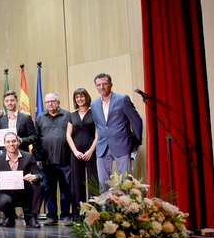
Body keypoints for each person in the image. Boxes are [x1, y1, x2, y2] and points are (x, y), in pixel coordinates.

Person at [91, 73, 144, 192]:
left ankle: (129, 209)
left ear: (111, 85)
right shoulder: (94, 104)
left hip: (122, 144)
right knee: (103, 184)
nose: (102, 87)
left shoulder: (122, 99)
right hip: (102, 146)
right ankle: (106, 209)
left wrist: (135, 141)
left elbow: (137, 121)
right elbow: (98, 125)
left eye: (104, 84)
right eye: (98, 85)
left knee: (127, 182)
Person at [0, 89, 41, 221]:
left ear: (16, 101)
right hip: (6, 158)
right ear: (4, 103)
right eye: (7, 101)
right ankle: (9, 215)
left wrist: (22, 140)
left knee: (26, 187)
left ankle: (30, 216)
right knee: (7, 188)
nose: (10, 103)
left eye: (12, 100)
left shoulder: (25, 118)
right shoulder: (0, 119)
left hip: (23, 159)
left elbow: (34, 137)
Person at [0, 132, 42, 228]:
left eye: (14, 141)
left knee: (40, 185)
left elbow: (39, 174)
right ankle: (9, 216)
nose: (11, 144)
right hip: (6, 193)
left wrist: (35, 177)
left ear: (18, 142)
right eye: (8, 142)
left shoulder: (28, 156)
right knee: (3, 200)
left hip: (24, 192)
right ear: (4, 144)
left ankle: (32, 218)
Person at [36, 93, 73, 225]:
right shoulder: (40, 118)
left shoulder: (68, 116)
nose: (50, 104)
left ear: (58, 102)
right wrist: (37, 157)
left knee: (66, 188)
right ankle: (52, 216)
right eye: (48, 102)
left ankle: (66, 216)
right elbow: (37, 139)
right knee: (49, 189)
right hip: (46, 160)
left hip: (65, 159)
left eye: (53, 101)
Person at [67, 88, 99, 222]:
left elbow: (98, 133)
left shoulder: (94, 112)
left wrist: (91, 150)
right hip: (77, 153)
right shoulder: (72, 115)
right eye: (77, 97)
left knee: (93, 183)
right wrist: (75, 151)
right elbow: (68, 135)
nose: (79, 99)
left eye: (82, 96)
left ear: (87, 97)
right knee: (77, 184)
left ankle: (94, 216)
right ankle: (78, 216)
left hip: (92, 152)